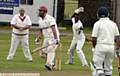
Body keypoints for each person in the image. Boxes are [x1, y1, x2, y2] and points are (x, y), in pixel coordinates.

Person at [90, 7, 120, 76]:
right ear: (108, 14)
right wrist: (117, 48)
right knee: (108, 69)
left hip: (100, 46)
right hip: (111, 48)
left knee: (97, 67)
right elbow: (118, 37)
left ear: (98, 15)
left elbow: (94, 38)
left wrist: (95, 47)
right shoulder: (113, 24)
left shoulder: (97, 24)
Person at [35, 5, 60, 70]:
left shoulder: (50, 18)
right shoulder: (40, 20)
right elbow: (41, 30)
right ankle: (52, 64)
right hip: (46, 38)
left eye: (41, 11)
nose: (39, 12)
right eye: (39, 11)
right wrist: (38, 38)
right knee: (42, 54)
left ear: (45, 12)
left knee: (50, 49)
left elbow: (53, 28)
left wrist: (56, 39)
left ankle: (49, 64)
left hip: (53, 37)